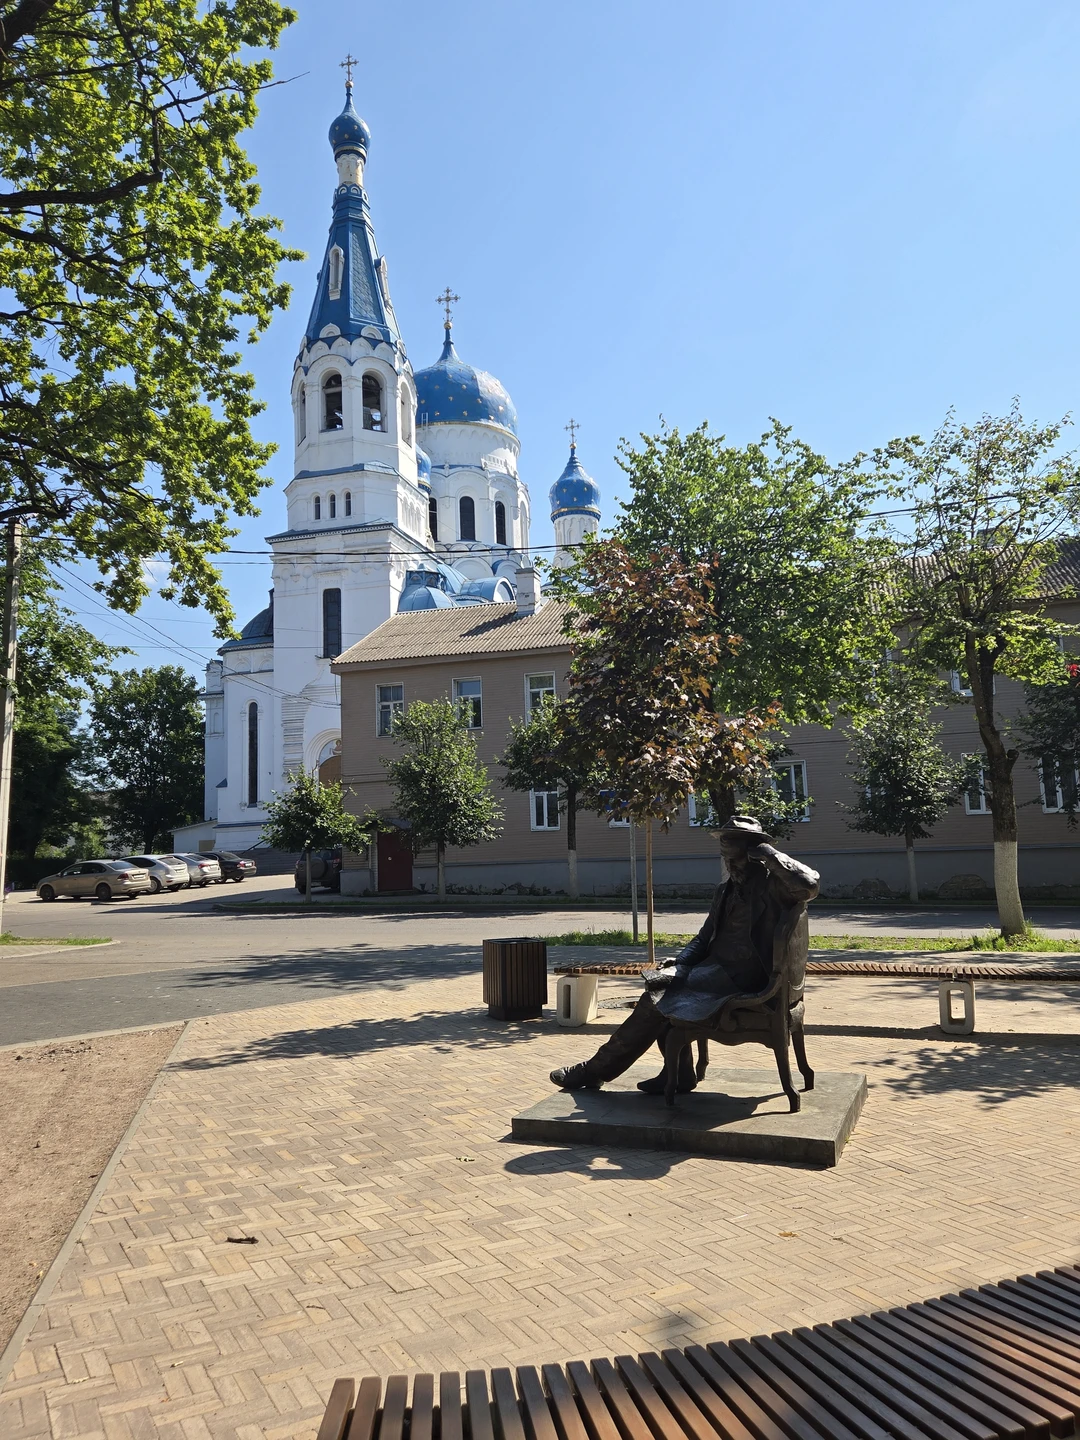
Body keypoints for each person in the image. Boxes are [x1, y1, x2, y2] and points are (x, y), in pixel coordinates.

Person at [550, 814, 820, 1094]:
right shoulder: (725, 891)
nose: (727, 857)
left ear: (752, 850)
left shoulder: (775, 887)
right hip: (716, 971)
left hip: (747, 979)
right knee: (660, 985)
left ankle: (595, 1071)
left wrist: (770, 853)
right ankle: (677, 1075)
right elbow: (703, 938)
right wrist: (681, 962)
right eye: (725, 849)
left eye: (732, 848)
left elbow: (810, 885)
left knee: (654, 1000)